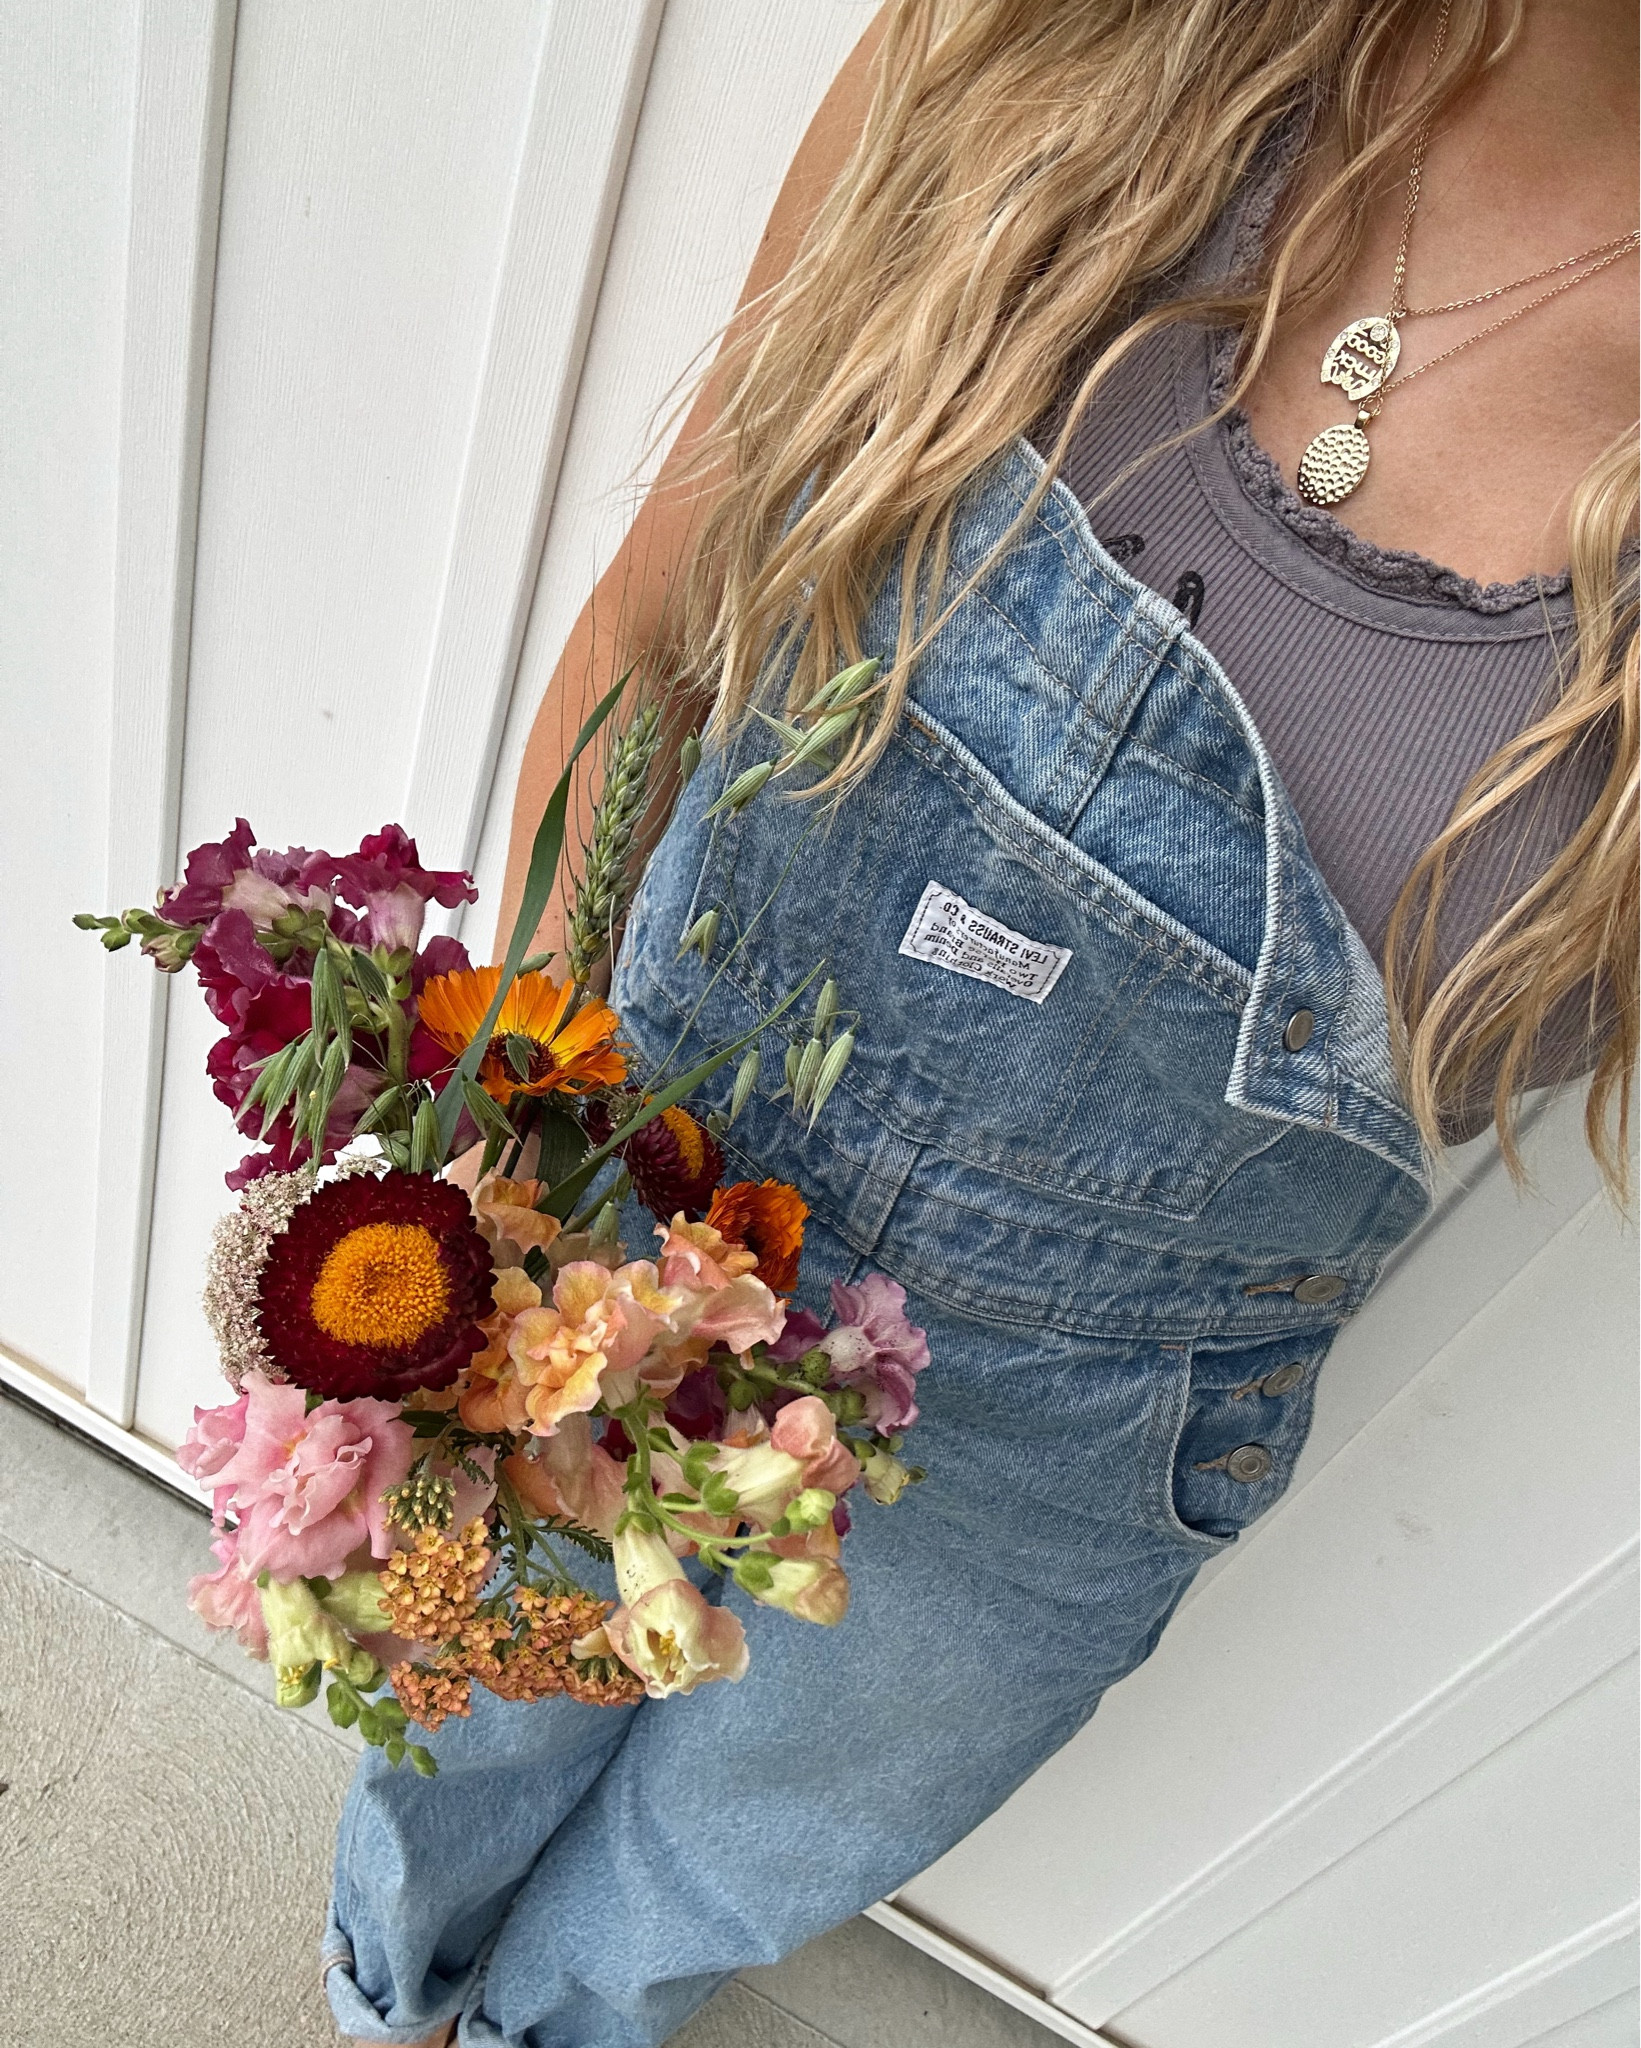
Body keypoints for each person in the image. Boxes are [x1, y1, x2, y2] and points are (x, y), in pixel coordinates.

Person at [324, 3, 1637, 2042]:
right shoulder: (1072, 50)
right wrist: (525, 1137)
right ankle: (376, 1994)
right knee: (464, 1701)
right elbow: (659, 627)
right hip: (635, 1181)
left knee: (732, 1845)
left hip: (1063, 1454)